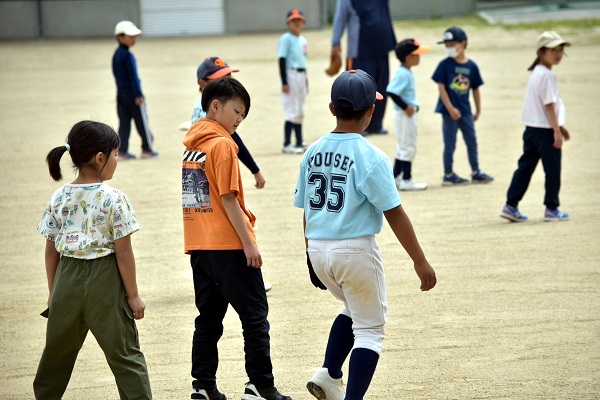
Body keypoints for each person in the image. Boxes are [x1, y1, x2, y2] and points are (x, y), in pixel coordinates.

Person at [293, 70, 437, 400]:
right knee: (370, 330)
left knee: (354, 308)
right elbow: (394, 212)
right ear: (372, 111)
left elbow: (307, 211)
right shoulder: (372, 156)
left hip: (317, 248)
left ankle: (329, 374)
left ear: (331, 108)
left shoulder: (312, 150)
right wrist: (420, 261)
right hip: (354, 249)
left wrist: (308, 256)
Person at [181, 78, 291, 400]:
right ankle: (260, 385)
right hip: (229, 246)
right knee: (255, 318)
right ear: (215, 106)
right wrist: (249, 243)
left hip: (200, 247)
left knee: (208, 321)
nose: (239, 120)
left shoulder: (192, 146)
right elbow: (228, 198)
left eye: (243, 115)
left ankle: (202, 386)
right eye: (237, 112)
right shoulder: (223, 145)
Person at [34, 120, 152, 399]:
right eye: (115, 155)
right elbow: (123, 252)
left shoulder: (58, 196)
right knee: (125, 355)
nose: (116, 161)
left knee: (56, 356)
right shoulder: (115, 199)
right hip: (105, 282)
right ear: (100, 158)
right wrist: (133, 296)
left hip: (67, 278)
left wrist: (54, 292)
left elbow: (51, 251)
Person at [501, 31, 571, 223]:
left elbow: (546, 105)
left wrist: (560, 126)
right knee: (553, 169)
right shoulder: (547, 75)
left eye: (560, 50)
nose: (558, 54)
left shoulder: (537, 73)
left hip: (531, 129)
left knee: (525, 167)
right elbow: (549, 105)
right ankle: (552, 208)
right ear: (541, 52)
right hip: (545, 130)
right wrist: (556, 130)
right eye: (553, 50)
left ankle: (510, 205)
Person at [191, 56, 266, 190]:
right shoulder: (213, 110)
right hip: (214, 172)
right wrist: (255, 170)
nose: (227, 84)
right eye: (221, 79)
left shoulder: (201, 104)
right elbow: (234, 139)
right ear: (202, 84)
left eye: (229, 78)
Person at [432, 26, 493, 185]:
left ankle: (476, 171)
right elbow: (441, 87)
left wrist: (478, 109)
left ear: (463, 43)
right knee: (450, 143)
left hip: (466, 111)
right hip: (449, 111)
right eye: (446, 44)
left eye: (452, 44)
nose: (449, 48)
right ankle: (448, 174)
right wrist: (450, 108)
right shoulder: (444, 65)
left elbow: (475, 89)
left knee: (472, 140)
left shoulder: (471, 66)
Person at [331, 0, 396, 135]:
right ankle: (358, 125)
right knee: (357, 90)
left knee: (381, 87)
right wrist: (335, 41)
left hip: (382, 48)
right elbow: (340, 16)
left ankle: (376, 124)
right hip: (359, 52)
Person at [386, 38, 430, 191]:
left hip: (403, 115)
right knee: (408, 147)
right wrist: (406, 107)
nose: (419, 57)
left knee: (402, 146)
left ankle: (396, 176)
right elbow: (391, 91)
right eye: (416, 54)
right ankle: (407, 179)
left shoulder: (405, 71)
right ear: (408, 57)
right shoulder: (403, 74)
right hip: (405, 115)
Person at [112, 20, 158, 160]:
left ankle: (122, 151)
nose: (134, 39)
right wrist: (138, 94)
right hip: (133, 96)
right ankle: (147, 149)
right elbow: (133, 77)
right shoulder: (128, 56)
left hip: (121, 95)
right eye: (130, 36)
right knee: (142, 122)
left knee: (124, 123)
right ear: (120, 36)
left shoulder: (116, 55)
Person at [278, 8, 308, 154]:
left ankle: (299, 141)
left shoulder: (303, 40)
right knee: (291, 109)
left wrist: (306, 82)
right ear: (288, 23)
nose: (296, 23)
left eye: (299, 20)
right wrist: (284, 82)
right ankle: (287, 143)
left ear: (303, 22)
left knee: (300, 109)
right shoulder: (285, 39)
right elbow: (282, 60)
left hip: (301, 75)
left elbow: (304, 62)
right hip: (290, 74)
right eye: (293, 20)